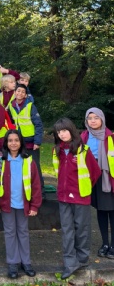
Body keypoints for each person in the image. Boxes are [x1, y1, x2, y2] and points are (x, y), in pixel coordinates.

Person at [0, 129, 42, 279]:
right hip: (7, 204)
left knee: (23, 232)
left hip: (23, 204)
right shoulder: (1, 161)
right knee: (10, 233)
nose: (13, 143)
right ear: (6, 143)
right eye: (10, 140)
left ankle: (26, 262)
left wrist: (34, 205)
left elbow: (36, 184)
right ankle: (13, 263)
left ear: (21, 142)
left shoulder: (28, 160)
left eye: (16, 140)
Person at [53, 117, 101, 279]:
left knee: (82, 229)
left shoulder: (83, 150)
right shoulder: (57, 150)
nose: (62, 134)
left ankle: (82, 258)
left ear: (72, 130)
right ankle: (69, 262)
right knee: (67, 230)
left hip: (81, 197)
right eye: (59, 132)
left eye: (65, 130)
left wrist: (84, 188)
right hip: (63, 197)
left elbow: (95, 173)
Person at [81, 108, 114, 260]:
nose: (93, 121)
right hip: (91, 177)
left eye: (96, 117)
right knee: (100, 211)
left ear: (102, 119)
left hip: (108, 178)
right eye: (90, 118)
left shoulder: (110, 137)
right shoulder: (84, 136)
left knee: (111, 211)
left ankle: (113, 245)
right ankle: (105, 243)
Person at [8, 83, 44, 197]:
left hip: (31, 141)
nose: (20, 93)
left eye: (23, 92)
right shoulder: (11, 106)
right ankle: (24, 190)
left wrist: (37, 142)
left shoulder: (30, 106)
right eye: (18, 91)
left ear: (25, 95)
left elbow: (39, 125)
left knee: (35, 167)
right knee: (21, 167)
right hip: (18, 142)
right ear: (14, 92)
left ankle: (40, 192)